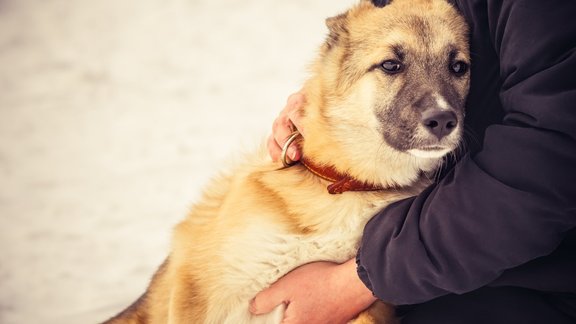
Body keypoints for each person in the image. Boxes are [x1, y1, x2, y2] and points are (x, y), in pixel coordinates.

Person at [249, 0, 576, 323]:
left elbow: (545, 169)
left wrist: (353, 282)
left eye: (458, 67)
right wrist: (318, 95)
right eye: (393, 67)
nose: (439, 110)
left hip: (531, 275)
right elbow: (372, 34)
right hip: (436, 245)